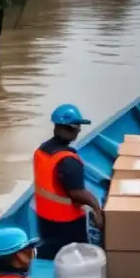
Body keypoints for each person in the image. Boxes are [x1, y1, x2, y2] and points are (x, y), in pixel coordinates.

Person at [33, 104, 104, 259]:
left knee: (51, 251)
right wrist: (97, 209)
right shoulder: (68, 161)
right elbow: (77, 193)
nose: (78, 131)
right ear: (71, 129)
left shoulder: (41, 151)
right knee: (74, 257)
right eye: (78, 128)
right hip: (66, 224)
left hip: (44, 219)